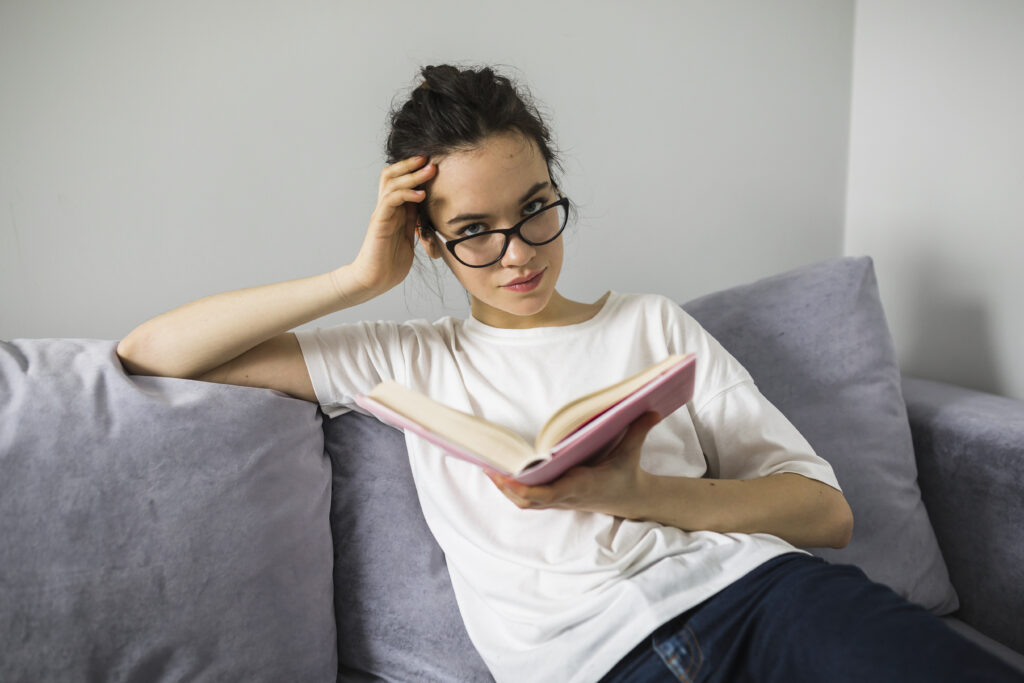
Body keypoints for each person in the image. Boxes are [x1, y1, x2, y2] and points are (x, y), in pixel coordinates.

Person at [117, 64, 1022, 683]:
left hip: (762, 597)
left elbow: (825, 511)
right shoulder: (403, 356)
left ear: (558, 192)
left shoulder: (651, 323)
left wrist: (643, 492)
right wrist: (359, 278)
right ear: (430, 239)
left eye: (535, 209)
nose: (517, 253)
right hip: (588, 665)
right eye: (474, 229)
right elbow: (151, 351)